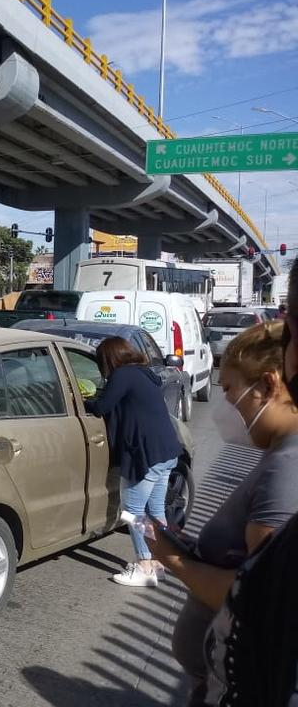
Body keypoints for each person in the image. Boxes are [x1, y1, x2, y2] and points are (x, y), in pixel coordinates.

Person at [150, 261, 298, 706]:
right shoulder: (277, 455)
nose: (225, 402)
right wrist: (194, 547)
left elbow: (263, 599)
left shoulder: (287, 468)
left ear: (268, 385)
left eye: (231, 390)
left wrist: (173, 559)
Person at [84, 336, 180, 587]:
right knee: (156, 511)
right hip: (166, 451)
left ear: (109, 359)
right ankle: (158, 563)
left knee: (133, 512)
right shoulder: (144, 374)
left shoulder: (123, 376)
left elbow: (102, 407)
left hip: (146, 454)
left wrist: (84, 401)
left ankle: (143, 566)